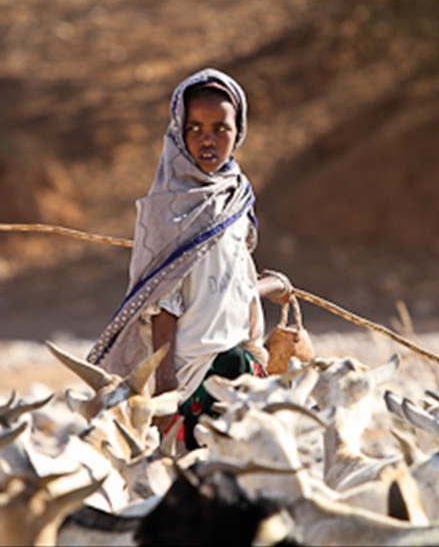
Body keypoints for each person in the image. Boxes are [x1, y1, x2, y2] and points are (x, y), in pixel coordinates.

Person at [86, 67, 292, 448]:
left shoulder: (237, 196)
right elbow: (164, 303)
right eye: (194, 128)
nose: (207, 139)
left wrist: (271, 286)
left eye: (220, 128)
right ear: (178, 132)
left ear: (238, 131)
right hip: (190, 376)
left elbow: (232, 283)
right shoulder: (167, 209)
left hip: (240, 366)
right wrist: (167, 388)